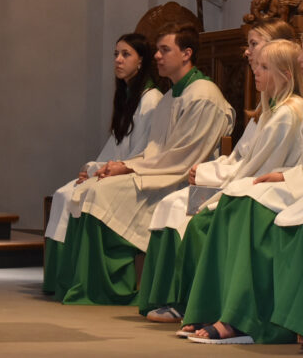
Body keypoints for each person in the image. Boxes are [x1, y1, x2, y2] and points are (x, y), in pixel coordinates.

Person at [180, 20, 303, 345]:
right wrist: (286, 175)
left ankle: (245, 318)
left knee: (249, 203)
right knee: (237, 196)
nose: (301, 57)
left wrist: (297, 176)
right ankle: (222, 310)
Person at [53, 23, 234, 305]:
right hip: (160, 171)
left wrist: (128, 167)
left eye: (165, 50)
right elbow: (155, 152)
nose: (157, 56)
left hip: (183, 179)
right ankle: (94, 286)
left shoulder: (204, 96)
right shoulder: (171, 96)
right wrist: (118, 166)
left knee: (99, 193)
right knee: (91, 189)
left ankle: (108, 290)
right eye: (157, 50)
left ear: (186, 54)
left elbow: (184, 157)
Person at [138, 36, 303, 324]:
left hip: (270, 188)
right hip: (250, 182)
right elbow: (246, 159)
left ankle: (196, 305)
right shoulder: (272, 110)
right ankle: (177, 299)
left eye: (264, 67)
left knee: (200, 221)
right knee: (177, 207)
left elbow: (258, 167)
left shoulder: (287, 113)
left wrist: (214, 186)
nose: (256, 71)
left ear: (286, 74)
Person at [42, 33, 163, 293]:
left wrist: (102, 171)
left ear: (141, 60)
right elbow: (116, 145)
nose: (118, 60)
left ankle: (89, 281)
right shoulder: (127, 96)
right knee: (64, 194)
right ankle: (62, 280)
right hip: (115, 171)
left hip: (135, 176)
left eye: (126, 54)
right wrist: (93, 169)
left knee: (86, 195)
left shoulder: (152, 100)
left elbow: (144, 153)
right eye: (116, 54)